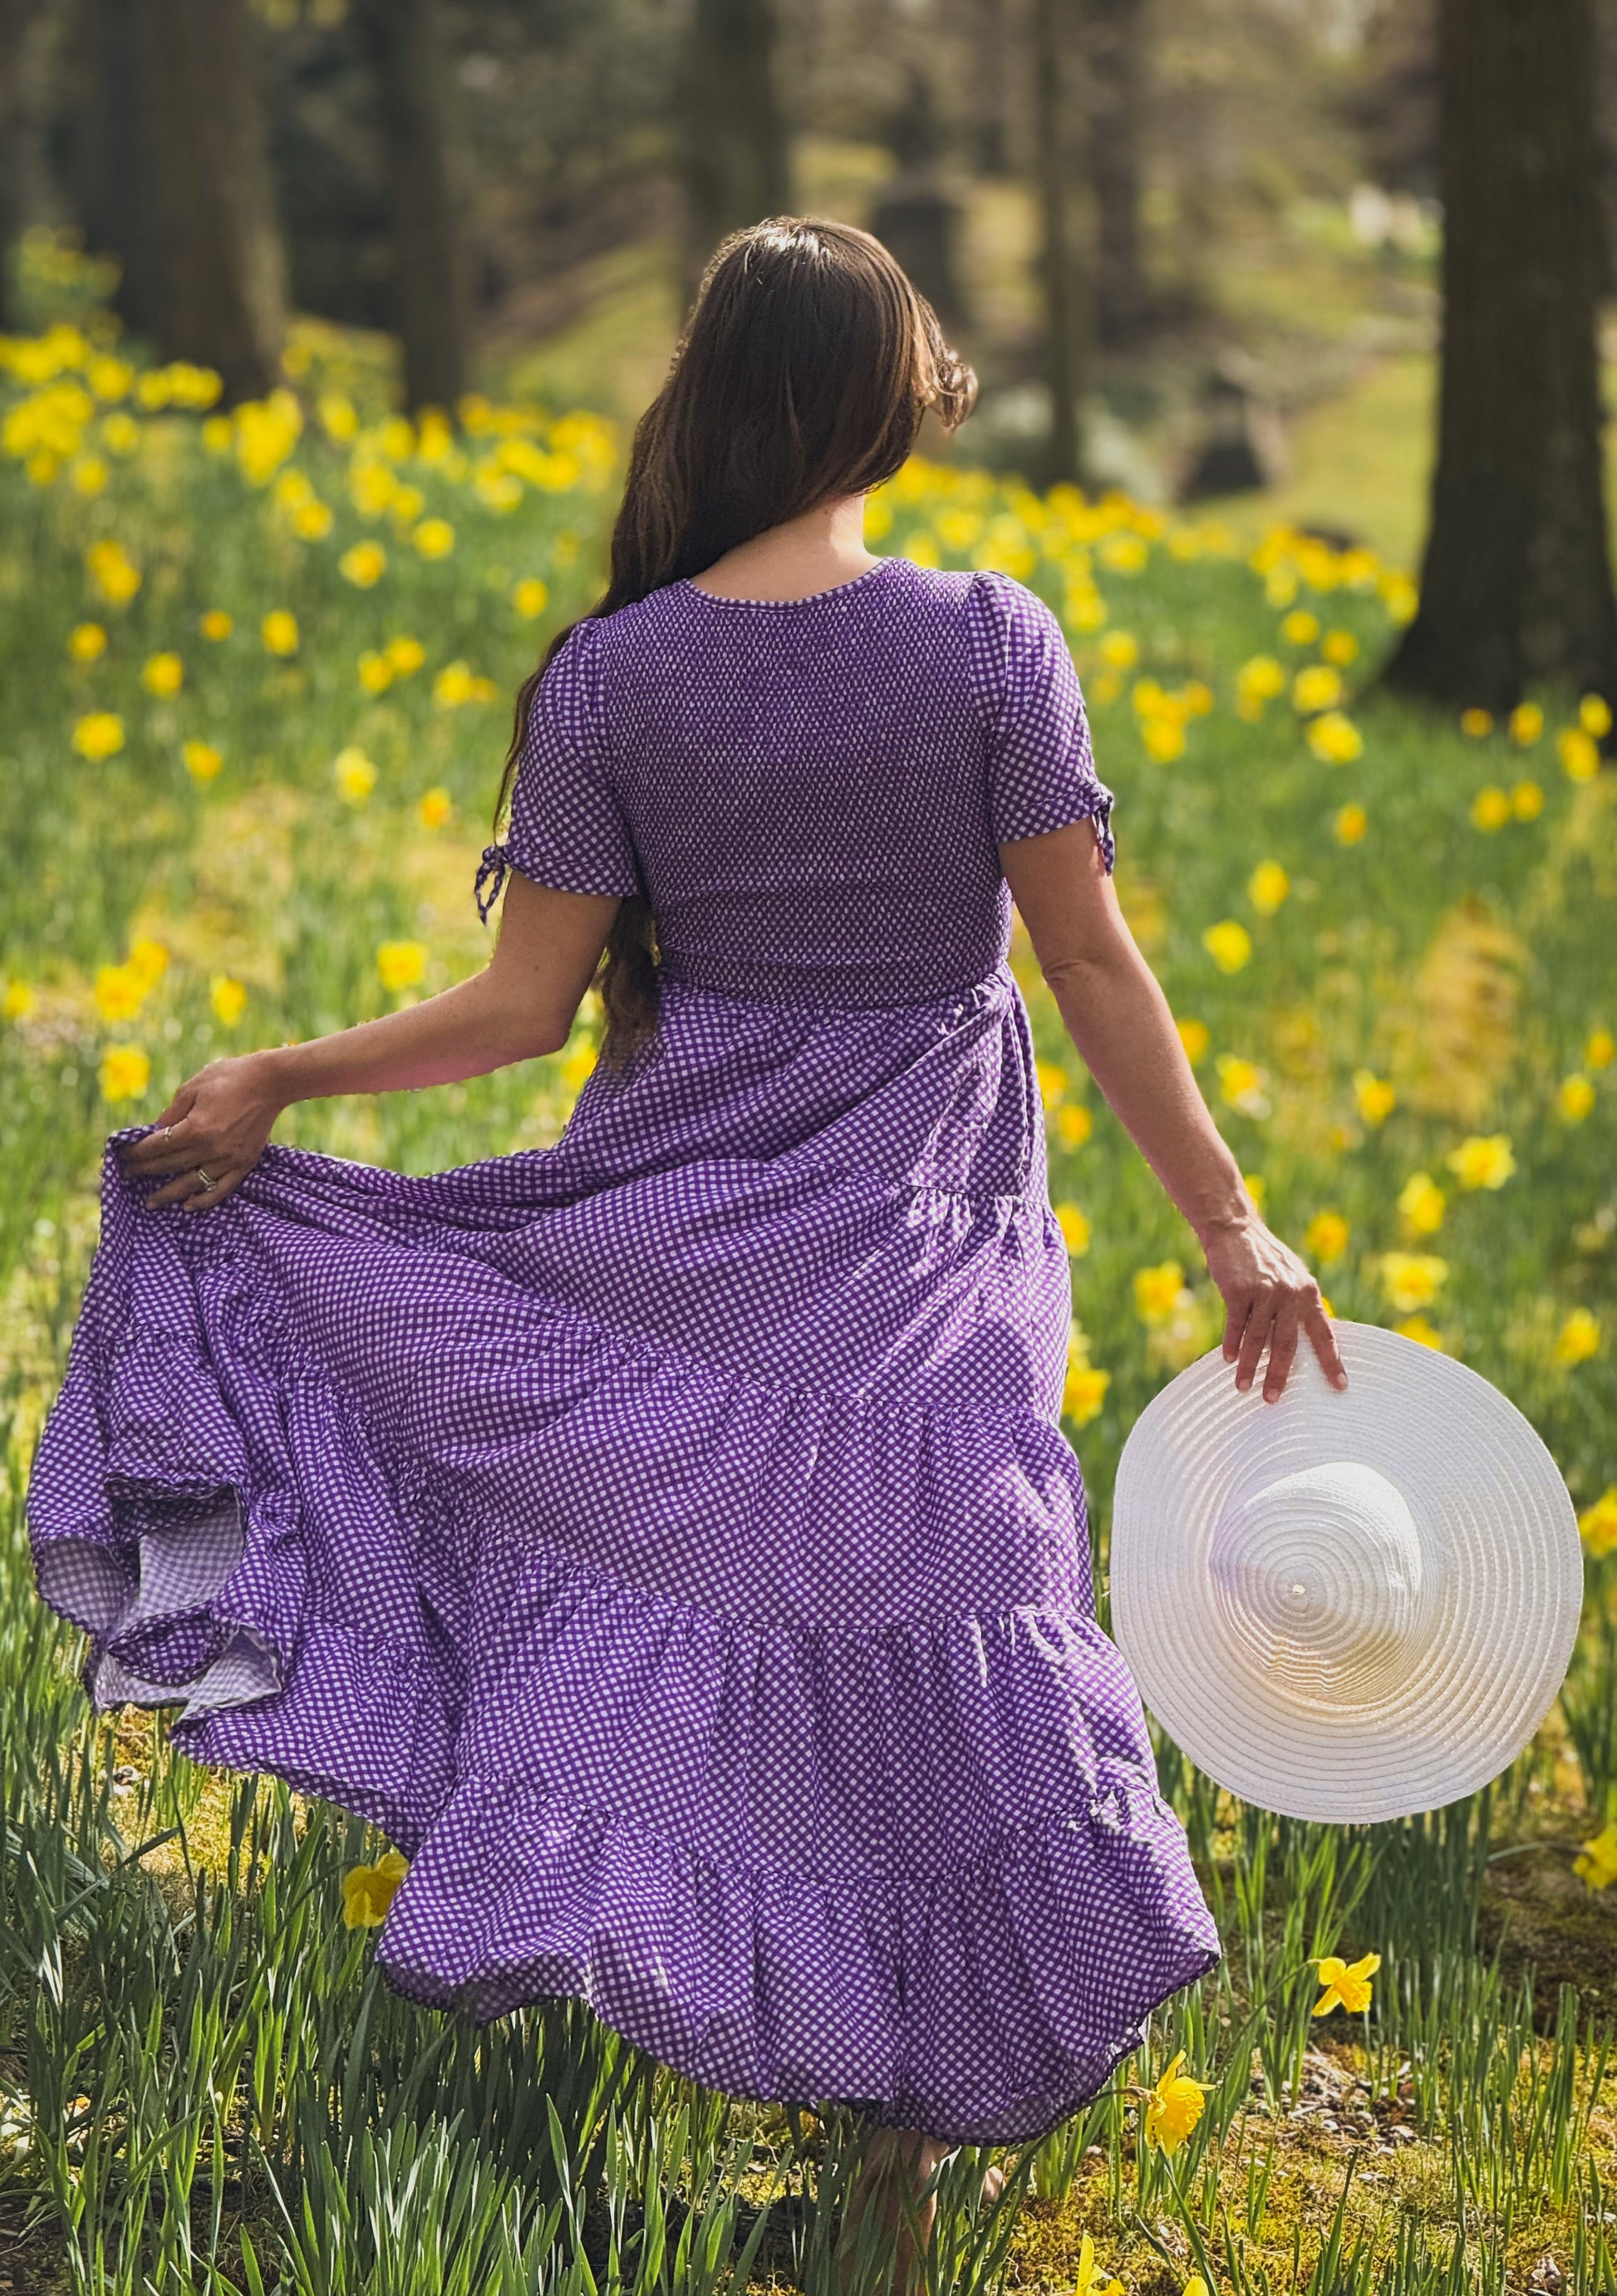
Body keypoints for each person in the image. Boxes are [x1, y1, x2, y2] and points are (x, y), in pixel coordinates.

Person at [29, 218, 1347, 2289]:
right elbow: (1087, 956)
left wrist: (278, 1076)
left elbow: (517, 1013)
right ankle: (883, 2169)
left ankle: (736, 2045)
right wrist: (1228, 1218)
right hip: (921, 1238)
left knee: (704, 1616)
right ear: (887, 393)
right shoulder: (992, 636)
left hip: (693, 1231)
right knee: (942, 1631)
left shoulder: (615, 671)